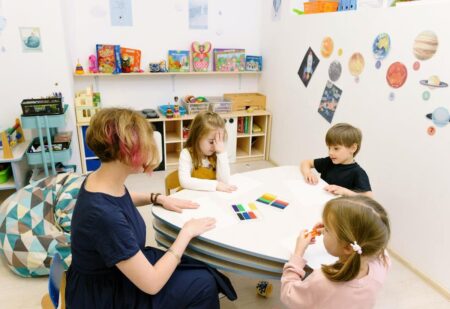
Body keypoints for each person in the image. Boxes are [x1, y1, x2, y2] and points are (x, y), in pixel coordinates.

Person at [66, 108, 236, 308]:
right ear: (126, 151)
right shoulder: (105, 217)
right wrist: (186, 233)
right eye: (145, 146)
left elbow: (122, 198)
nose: (149, 151)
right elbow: (152, 284)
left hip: (111, 272)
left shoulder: (101, 180)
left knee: (196, 265)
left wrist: (157, 198)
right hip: (104, 295)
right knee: (203, 283)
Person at [280, 195, 391, 309]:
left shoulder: (323, 281)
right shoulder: (383, 262)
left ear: (348, 248)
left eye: (327, 229)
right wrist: (331, 228)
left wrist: (298, 252)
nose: (324, 230)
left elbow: (288, 295)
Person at [300, 123, 373, 197]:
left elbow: (369, 198)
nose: (330, 152)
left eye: (336, 148)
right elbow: (306, 162)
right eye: (329, 148)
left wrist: (344, 191)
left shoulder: (358, 173)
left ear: (353, 148)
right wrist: (308, 173)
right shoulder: (329, 161)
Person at [179, 111, 237, 192]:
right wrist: (215, 185)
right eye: (211, 142)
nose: (215, 146)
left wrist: (222, 153)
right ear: (198, 137)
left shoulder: (217, 152)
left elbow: (224, 182)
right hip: (191, 196)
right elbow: (185, 182)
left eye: (219, 141)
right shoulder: (186, 154)